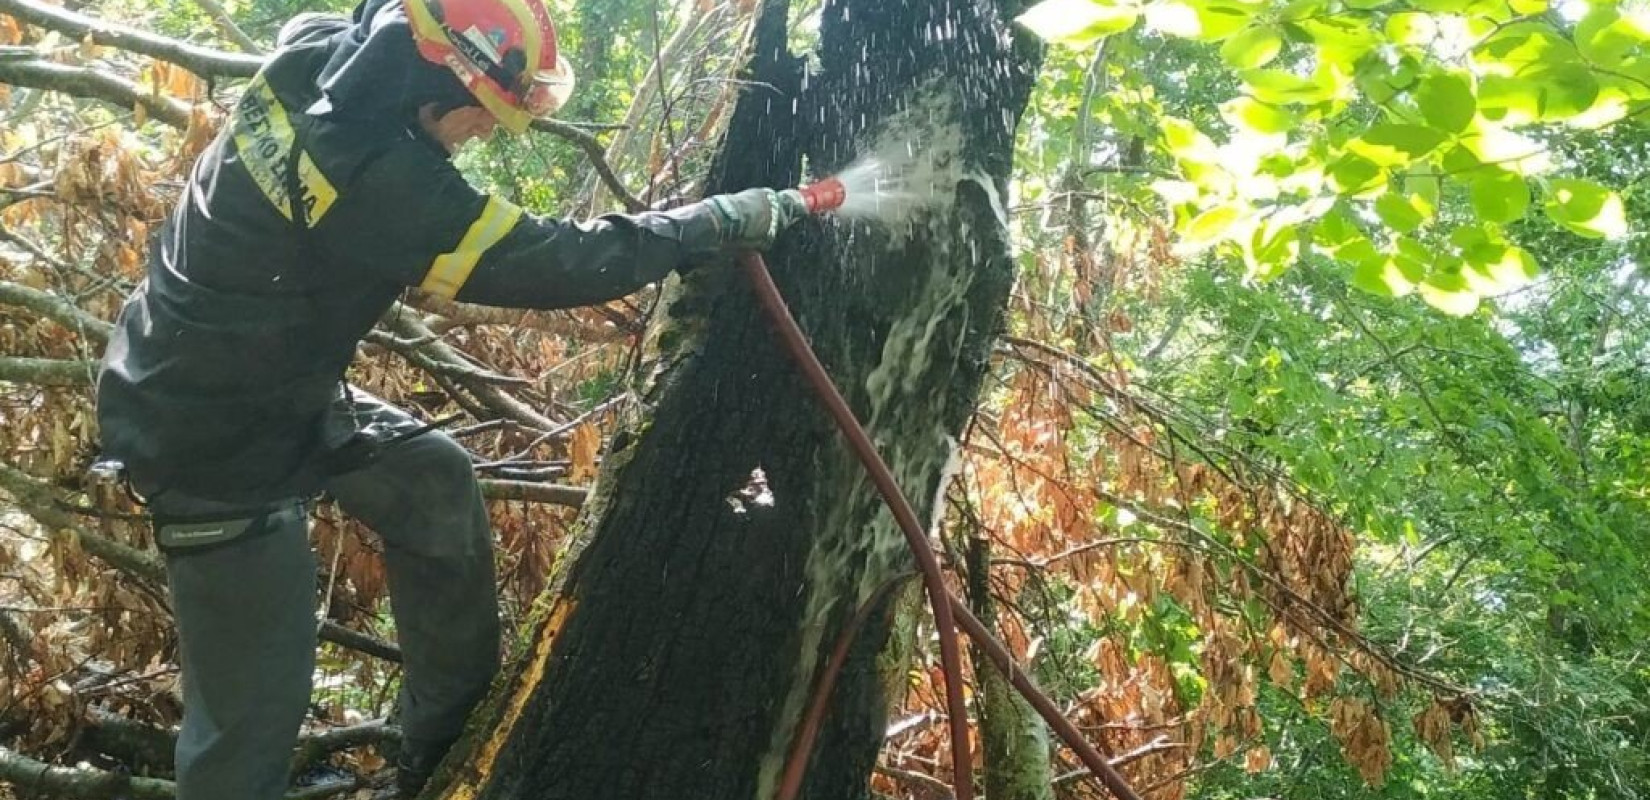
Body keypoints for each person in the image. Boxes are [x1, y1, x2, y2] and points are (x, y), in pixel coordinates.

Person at [93, 0, 805, 797]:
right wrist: (711, 221)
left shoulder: (313, 58)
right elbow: (559, 263)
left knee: (432, 484)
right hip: (207, 440)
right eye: (487, 112)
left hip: (256, 382)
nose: (488, 132)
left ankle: (442, 756)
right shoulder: (377, 180)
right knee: (251, 718)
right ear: (435, 82)